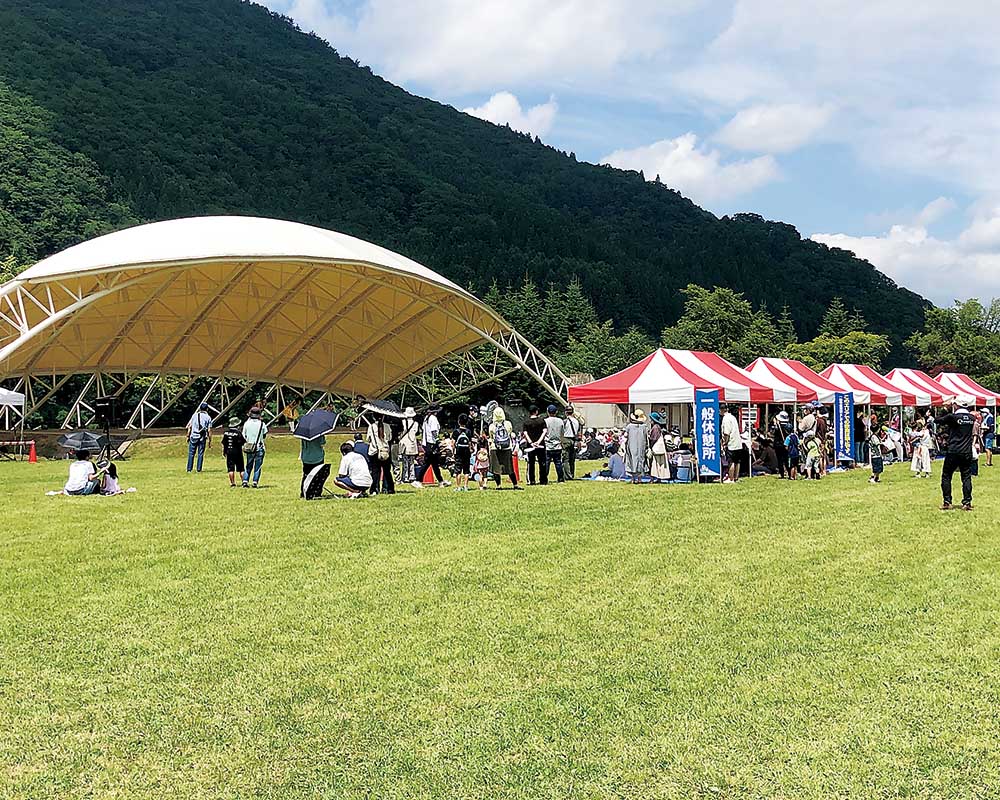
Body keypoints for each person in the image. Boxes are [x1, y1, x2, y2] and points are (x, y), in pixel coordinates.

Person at [938, 398, 976, 511]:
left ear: (955, 405)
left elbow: (937, 420)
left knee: (946, 475)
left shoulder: (952, 417)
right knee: (966, 477)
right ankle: (967, 502)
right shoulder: (971, 418)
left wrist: (945, 409)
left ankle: (947, 501)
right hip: (966, 451)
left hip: (953, 451)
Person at [488, 407, 521, 489]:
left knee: (496, 468)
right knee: (509, 467)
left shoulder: (492, 426)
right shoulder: (508, 424)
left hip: (495, 448)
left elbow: (491, 437)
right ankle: (515, 484)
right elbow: (510, 433)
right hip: (507, 448)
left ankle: (499, 485)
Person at [415, 406, 448, 487]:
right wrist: (437, 440)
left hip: (427, 442)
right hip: (431, 443)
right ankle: (418, 480)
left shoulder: (427, 418)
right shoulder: (433, 418)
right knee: (427, 463)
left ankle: (440, 480)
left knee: (434, 463)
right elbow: (434, 431)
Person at [366, 414, 395, 495]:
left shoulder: (371, 427)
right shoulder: (387, 426)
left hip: (374, 451)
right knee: (387, 471)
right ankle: (388, 488)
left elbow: (368, 439)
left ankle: (375, 489)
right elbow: (389, 438)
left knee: (375, 472)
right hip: (385, 451)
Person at [240, 406, 268, 488]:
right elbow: (264, 435)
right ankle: (255, 482)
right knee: (258, 466)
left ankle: (245, 481)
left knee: (248, 465)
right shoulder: (262, 424)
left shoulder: (246, 423)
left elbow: (243, 435)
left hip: (249, 446)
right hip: (259, 446)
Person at [521, 405, 547, 485]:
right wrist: (538, 442)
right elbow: (544, 431)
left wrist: (531, 442)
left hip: (530, 446)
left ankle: (532, 480)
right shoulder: (541, 421)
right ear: (536, 411)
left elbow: (525, 433)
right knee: (542, 462)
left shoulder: (526, 422)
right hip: (541, 445)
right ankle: (543, 480)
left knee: (531, 463)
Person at [185, 402, 213, 473]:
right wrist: (210, 440)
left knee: (191, 453)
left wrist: (188, 436)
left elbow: (189, 426)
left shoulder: (194, 415)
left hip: (193, 436)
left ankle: (189, 469)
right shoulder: (208, 417)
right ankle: (199, 469)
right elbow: (209, 430)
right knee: (200, 453)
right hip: (202, 437)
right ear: (207, 409)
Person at [624, 408, 648, 484]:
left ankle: (632, 479)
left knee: (631, 460)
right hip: (641, 446)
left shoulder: (629, 426)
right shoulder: (644, 427)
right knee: (641, 460)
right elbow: (646, 437)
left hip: (631, 446)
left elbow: (625, 436)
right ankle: (639, 479)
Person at [542, 404, 564, 484]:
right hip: (557, 445)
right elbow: (562, 433)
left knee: (547, 463)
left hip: (548, 445)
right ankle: (561, 478)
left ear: (548, 412)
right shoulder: (560, 421)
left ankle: (544, 478)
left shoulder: (545, 421)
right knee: (558, 462)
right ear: (556, 412)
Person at [299, 432, 326, 498]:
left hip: (306, 457)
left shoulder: (303, 433)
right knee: (318, 476)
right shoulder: (319, 432)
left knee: (306, 475)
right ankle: (317, 492)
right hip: (317, 457)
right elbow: (322, 443)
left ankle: (303, 492)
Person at [221, 416, 245, 487]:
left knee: (230, 469)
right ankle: (244, 482)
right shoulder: (238, 433)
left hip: (229, 452)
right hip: (238, 452)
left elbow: (224, 443)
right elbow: (242, 442)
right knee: (241, 468)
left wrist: (224, 451)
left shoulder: (226, 433)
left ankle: (232, 483)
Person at [721, 404, 742, 484]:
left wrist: (724, 443)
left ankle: (731, 478)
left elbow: (726, 433)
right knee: (737, 461)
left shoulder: (725, 419)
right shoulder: (732, 417)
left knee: (731, 462)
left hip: (731, 443)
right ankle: (736, 478)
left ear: (721, 410)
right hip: (738, 442)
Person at [452, 413, 473, 492]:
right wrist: (471, 449)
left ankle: (458, 486)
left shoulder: (456, 432)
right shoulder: (468, 431)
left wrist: (453, 451)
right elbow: (470, 443)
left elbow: (453, 443)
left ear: (458, 422)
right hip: (467, 452)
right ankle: (466, 486)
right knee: (466, 470)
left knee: (458, 470)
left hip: (459, 452)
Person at [398, 407, 419, 483]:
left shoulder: (403, 422)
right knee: (412, 461)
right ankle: (412, 476)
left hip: (404, 442)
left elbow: (401, 432)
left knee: (405, 461)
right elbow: (416, 432)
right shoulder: (415, 423)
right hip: (412, 442)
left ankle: (405, 477)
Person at [561, 404, 582, 480]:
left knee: (565, 459)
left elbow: (562, 431)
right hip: (574, 440)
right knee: (572, 459)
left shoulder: (565, 421)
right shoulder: (577, 421)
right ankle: (572, 474)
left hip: (566, 439)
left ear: (566, 412)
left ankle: (567, 475)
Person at [648, 411, 670, 482]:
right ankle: (659, 478)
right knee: (660, 464)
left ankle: (653, 478)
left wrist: (649, 441)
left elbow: (653, 438)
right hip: (661, 448)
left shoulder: (655, 428)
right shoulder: (658, 427)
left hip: (656, 448)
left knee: (655, 464)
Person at [772, 411, 792, 479]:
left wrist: (775, 424)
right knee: (787, 460)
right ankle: (789, 473)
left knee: (780, 460)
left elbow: (773, 433)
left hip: (779, 445)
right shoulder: (789, 426)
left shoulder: (778, 426)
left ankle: (782, 474)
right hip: (787, 444)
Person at [815, 408, 829, 474]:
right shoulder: (825, 420)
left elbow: (816, 430)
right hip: (824, 440)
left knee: (820, 456)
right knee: (824, 455)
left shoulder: (819, 421)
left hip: (819, 439)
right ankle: (825, 470)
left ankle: (822, 470)